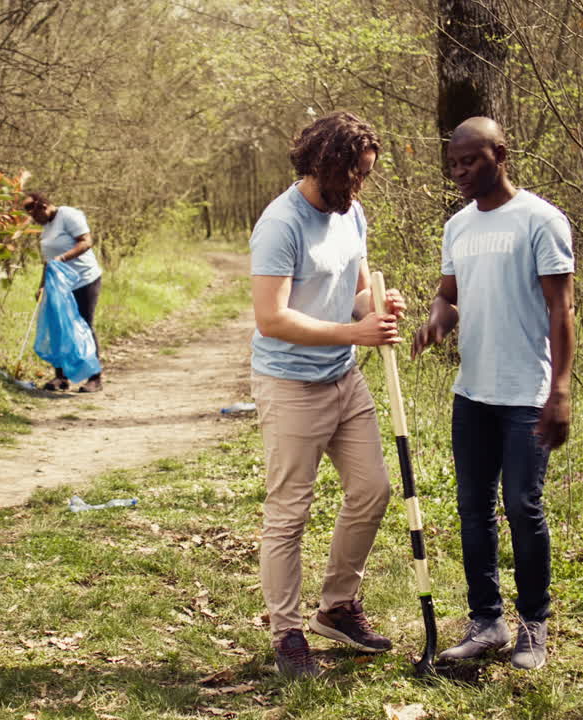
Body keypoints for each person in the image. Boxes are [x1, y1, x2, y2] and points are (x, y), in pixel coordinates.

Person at [412, 116, 575, 671]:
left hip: (526, 390)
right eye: (453, 163)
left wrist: (561, 389)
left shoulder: (540, 219)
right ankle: (486, 622)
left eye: (470, 161)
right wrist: (437, 322)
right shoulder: (457, 226)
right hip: (473, 392)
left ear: (500, 154)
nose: (459, 172)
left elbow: (561, 309)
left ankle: (534, 626)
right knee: (472, 510)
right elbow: (449, 296)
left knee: (523, 507)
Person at [249, 111, 407, 677]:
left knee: (373, 490)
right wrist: (353, 331)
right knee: (289, 513)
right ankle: (287, 633)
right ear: (326, 166)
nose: (360, 187)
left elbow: (358, 292)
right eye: (355, 175)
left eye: (366, 176)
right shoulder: (281, 224)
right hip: (290, 385)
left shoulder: (352, 213)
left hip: (344, 377)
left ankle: (338, 607)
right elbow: (272, 319)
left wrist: (378, 310)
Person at [23, 191, 104, 393]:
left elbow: (86, 241)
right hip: (59, 284)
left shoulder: (68, 215)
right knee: (58, 327)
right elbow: (48, 260)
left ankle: (95, 377)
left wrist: (63, 258)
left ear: (43, 206)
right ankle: (61, 377)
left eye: (34, 215)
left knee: (84, 324)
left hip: (84, 279)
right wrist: (42, 285)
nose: (34, 220)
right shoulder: (47, 228)